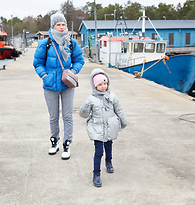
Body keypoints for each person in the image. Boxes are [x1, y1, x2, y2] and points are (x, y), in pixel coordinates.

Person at [33, 12, 85, 160]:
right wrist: (45, 76)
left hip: (67, 85)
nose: (61, 27)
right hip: (50, 85)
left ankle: (67, 144)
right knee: (53, 116)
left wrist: (72, 72)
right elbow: (37, 63)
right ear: (53, 26)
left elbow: (79, 60)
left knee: (67, 116)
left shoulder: (71, 43)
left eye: (63, 24)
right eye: (58, 24)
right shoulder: (46, 44)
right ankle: (54, 142)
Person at [79, 68, 129, 187]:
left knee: (109, 146)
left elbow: (119, 110)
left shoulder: (112, 97)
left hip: (110, 127)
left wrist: (124, 122)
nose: (103, 86)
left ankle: (109, 162)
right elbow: (84, 114)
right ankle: (96, 174)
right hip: (97, 128)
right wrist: (84, 109)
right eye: (100, 84)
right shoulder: (91, 99)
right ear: (94, 85)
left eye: (105, 83)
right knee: (98, 152)